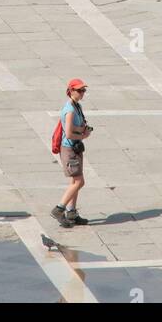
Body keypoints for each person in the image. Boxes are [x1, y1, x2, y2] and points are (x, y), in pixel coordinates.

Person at [51, 79, 92, 229]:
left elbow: (75, 126)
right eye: (80, 90)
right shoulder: (70, 110)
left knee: (74, 182)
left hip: (75, 149)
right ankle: (59, 209)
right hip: (69, 149)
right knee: (80, 182)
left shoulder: (77, 106)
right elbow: (68, 133)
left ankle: (72, 213)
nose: (82, 93)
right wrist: (83, 136)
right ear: (71, 91)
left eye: (84, 90)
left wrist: (83, 129)